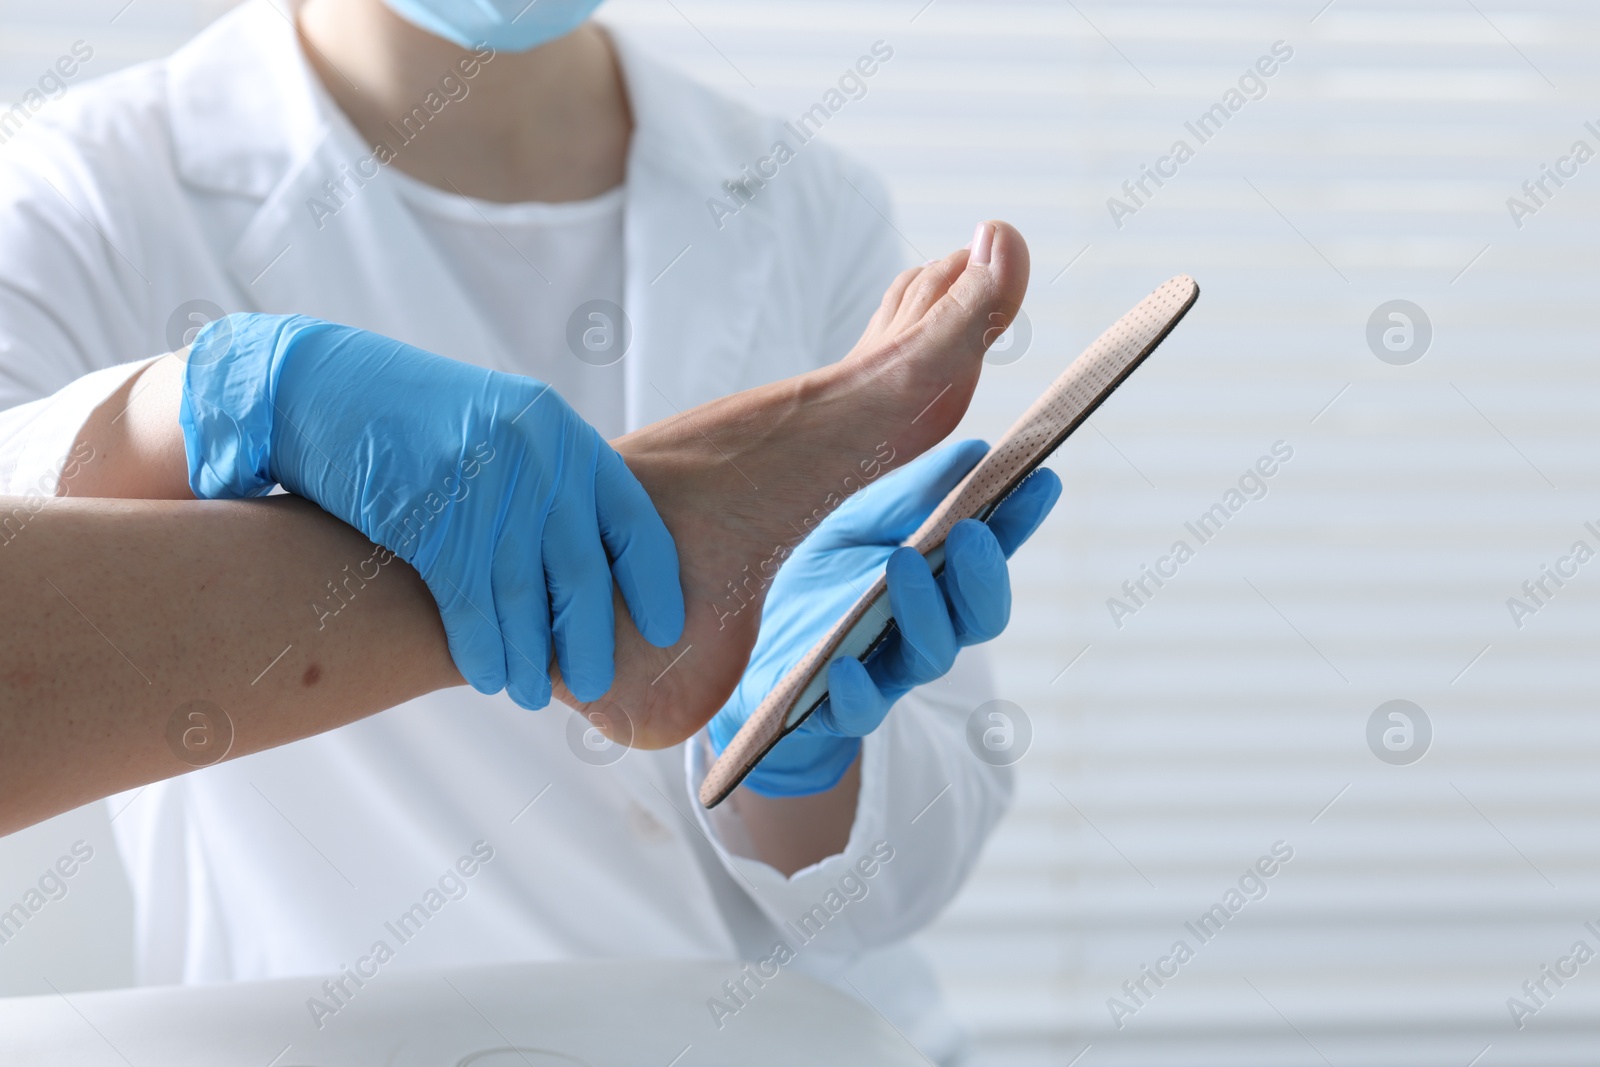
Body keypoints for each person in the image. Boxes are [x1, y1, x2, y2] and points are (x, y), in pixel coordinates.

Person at [0, 0, 1047, 1056]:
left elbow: (892, 884)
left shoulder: (805, 202)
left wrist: (792, 758)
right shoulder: (76, 185)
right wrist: (200, 400)